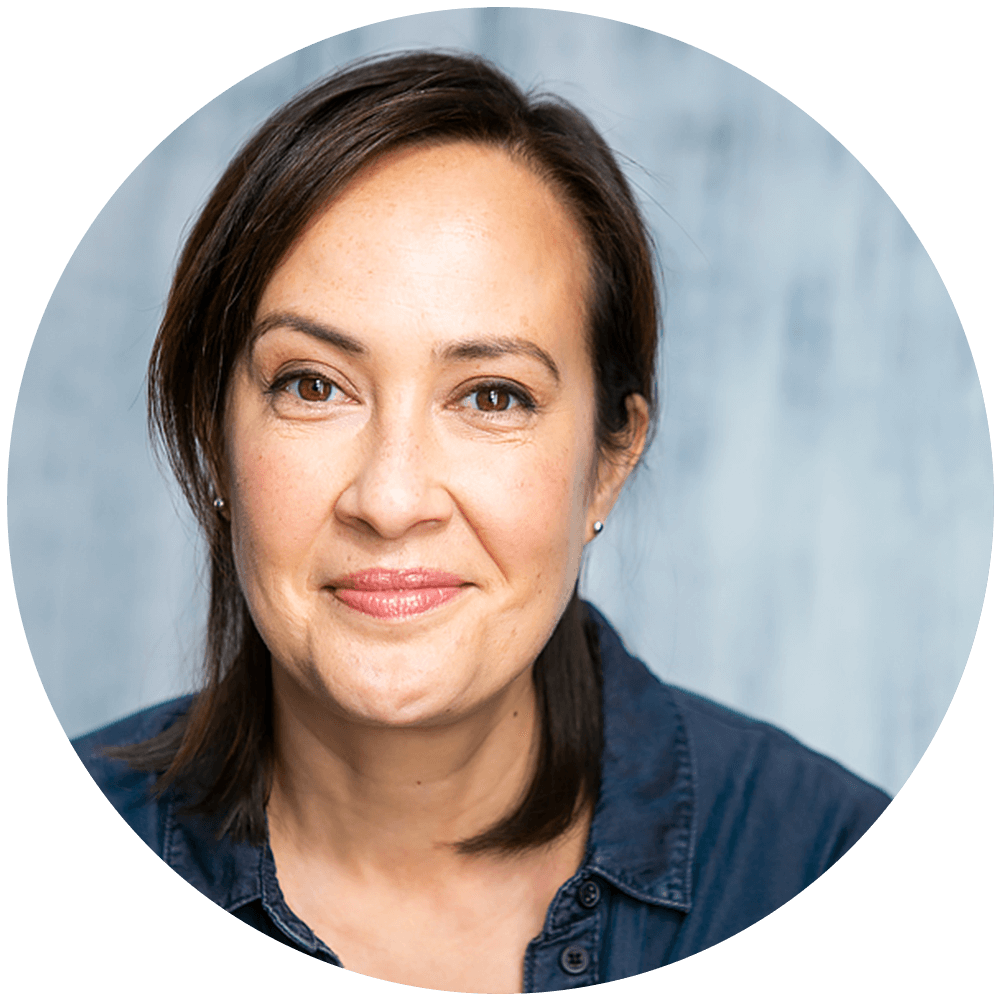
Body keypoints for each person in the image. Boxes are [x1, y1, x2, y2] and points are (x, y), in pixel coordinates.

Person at [71, 50, 891, 990]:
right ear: (213, 442)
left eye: (493, 397)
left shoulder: (813, 856)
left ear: (607, 465)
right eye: (313, 385)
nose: (390, 499)